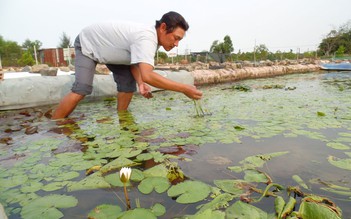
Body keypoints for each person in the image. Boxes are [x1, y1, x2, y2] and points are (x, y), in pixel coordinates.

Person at [52, 11, 202, 119]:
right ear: (163, 27)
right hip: (89, 44)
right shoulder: (146, 38)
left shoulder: (152, 40)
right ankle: (55, 127)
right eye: (175, 38)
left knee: (128, 84)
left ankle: (122, 121)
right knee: (82, 88)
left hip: (113, 53)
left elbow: (134, 62)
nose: (176, 44)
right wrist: (183, 89)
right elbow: (148, 75)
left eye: (179, 41)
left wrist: (140, 83)